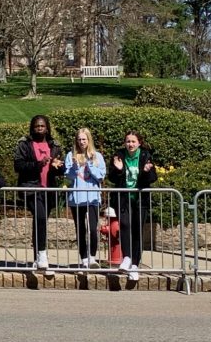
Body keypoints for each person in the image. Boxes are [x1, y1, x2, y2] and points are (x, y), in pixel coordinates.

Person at [13, 114, 64, 271]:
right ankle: (42, 255)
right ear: (32, 128)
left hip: (48, 188)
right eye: (37, 126)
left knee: (40, 221)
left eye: (42, 126)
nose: (40, 129)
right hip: (31, 188)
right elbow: (18, 165)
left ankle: (38, 256)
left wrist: (58, 167)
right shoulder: (25, 144)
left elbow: (62, 168)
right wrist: (37, 164)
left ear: (47, 128)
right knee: (40, 216)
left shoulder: (54, 145)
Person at [106, 131, 157, 283]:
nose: (130, 144)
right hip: (124, 198)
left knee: (137, 230)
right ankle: (127, 257)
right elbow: (112, 178)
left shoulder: (145, 156)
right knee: (125, 225)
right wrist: (119, 169)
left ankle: (135, 265)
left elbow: (153, 178)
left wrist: (147, 172)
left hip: (140, 199)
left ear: (139, 143)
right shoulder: (119, 155)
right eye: (128, 141)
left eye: (133, 141)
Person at [64, 127, 107, 269]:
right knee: (80, 230)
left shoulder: (97, 156)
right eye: (79, 139)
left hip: (92, 198)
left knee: (93, 229)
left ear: (89, 140)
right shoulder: (71, 155)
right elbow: (68, 177)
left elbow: (101, 176)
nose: (82, 142)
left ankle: (92, 258)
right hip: (77, 198)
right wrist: (75, 168)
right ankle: (83, 258)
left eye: (84, 139)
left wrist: (89, 164)